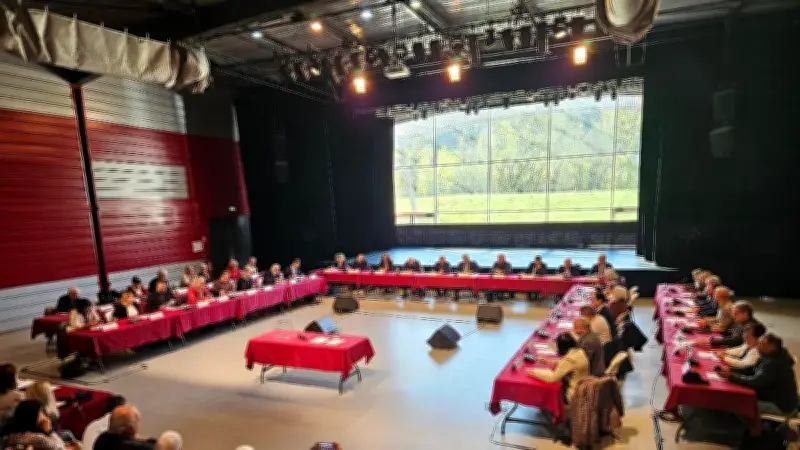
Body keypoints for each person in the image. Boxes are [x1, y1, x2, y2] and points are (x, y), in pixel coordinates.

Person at [720, 333, 798, 415]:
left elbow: (756, 382)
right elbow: (751, 369)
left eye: (761, 344)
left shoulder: (775, 363)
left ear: (772, 347)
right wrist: (731, 370)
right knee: (736, 397)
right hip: (770, 399)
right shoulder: (768, 356)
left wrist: (731, 376)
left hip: (780, 406)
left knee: (737, 402)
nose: (757, 346)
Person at [528, 332, 590, 404]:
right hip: (584, 389)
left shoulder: (569, 360)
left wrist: (535, 373)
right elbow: (568, 363)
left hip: (573, 394)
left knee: (547, 392)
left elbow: (552, 378)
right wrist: (550, 361)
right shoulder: (580, 352)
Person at [1, 399, 68, 450]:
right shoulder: (35, 438)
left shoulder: (10, 430)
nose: (44, 414)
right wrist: (49, 430)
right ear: (32, 416)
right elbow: (60, 446)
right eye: (40, 412)